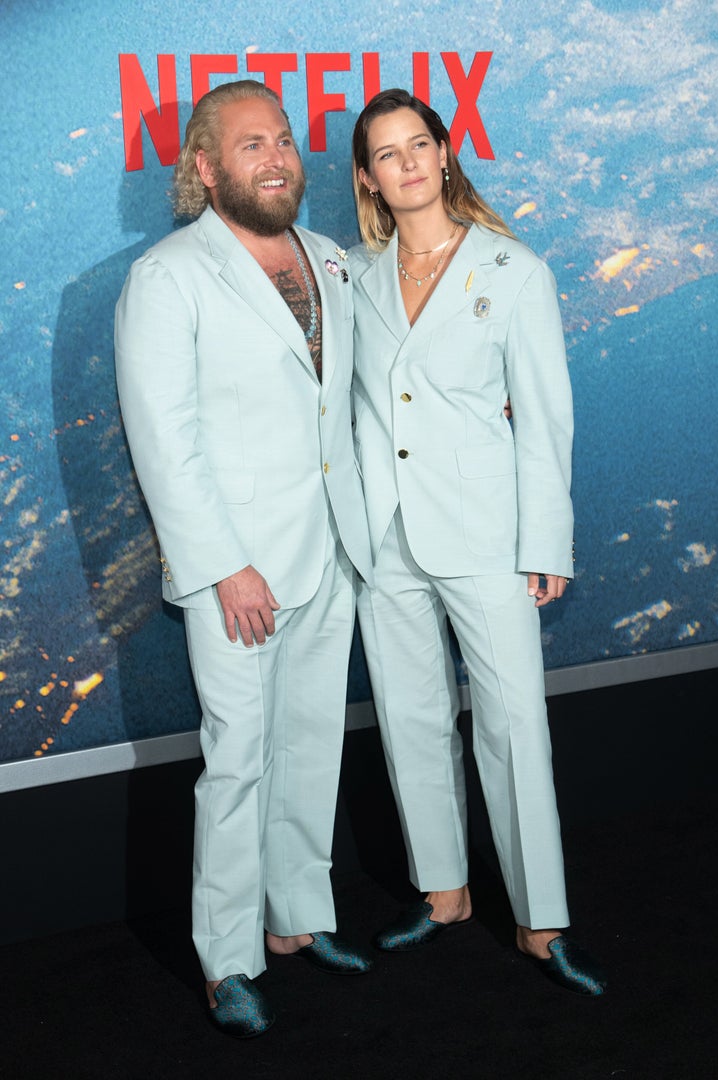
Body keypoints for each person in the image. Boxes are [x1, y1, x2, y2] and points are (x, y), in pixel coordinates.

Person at [114, 79, 375, 1038]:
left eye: (284, 141)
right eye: (251, 143)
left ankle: (298, 924)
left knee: (311, 749)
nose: (276, 157)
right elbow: (164, 440)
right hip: (239, 574)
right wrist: (224, 565)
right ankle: (226, 961)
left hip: (331, 553)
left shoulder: (331, 260)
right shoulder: (170, 275)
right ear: (205, 167)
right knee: (238, 764)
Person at [348, 89, 606, 996]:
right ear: (370, 177)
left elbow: (545, 420)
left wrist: (547, 541)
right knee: (412, 724)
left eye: (420, 144)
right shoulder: (355, 275)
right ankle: (445, 893)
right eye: (388, 153)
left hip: (489, 535)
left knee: (513, 727)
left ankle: (541, 923)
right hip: (384, 541)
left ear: (446, 154)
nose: (408, 162)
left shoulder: (514, 269)